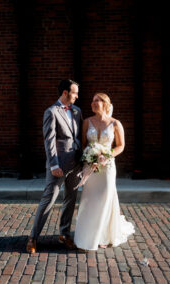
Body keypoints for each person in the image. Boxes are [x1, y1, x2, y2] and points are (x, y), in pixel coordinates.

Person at [26, 79, 82, 253]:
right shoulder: (51, 112)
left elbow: (78, 137)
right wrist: (54, 164)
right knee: (49, 199)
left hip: (76, 164)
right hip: (59, 164)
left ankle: (64, 234)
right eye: (74, 93)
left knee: (71, 199)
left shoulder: (77, 111)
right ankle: (33, 237)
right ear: (65, 93)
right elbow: (49, 141)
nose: (77, 96)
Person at [74, 93, 135, 251]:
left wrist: (106, 156)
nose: (93, 103)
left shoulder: (115, 123)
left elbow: (120, 146)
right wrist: (90, 155)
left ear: (105, 103)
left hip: (107, 167)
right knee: (90, 199)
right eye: (92, 100)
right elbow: (83, 143)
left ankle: (103, 235)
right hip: (90, 166)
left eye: (97, 100)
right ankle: (88, 233)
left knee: (106, 197)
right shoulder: (87, 122)